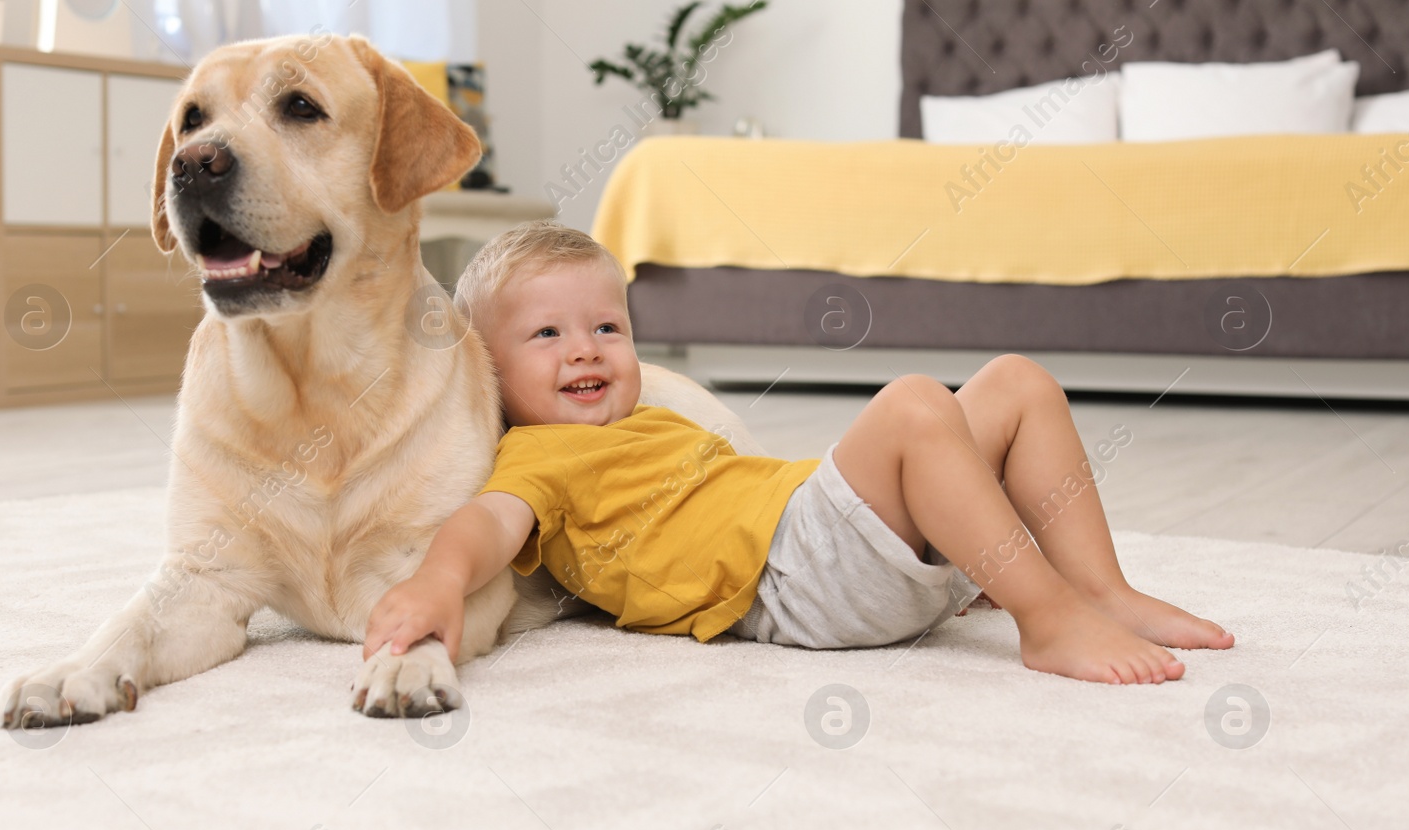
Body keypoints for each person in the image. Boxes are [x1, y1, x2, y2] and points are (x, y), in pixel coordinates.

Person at [364, 221, 1234, 684]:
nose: (585, 350)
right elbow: (485, 524)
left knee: (1017, 381)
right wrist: (439, 581)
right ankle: (1046, 622)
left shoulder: (653, 419)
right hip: (788, 578)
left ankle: (1100, 589)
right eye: (546, 334)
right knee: (913, 405)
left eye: (606, 327)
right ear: (486, 366)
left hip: (818, 529)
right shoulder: (539, 456)